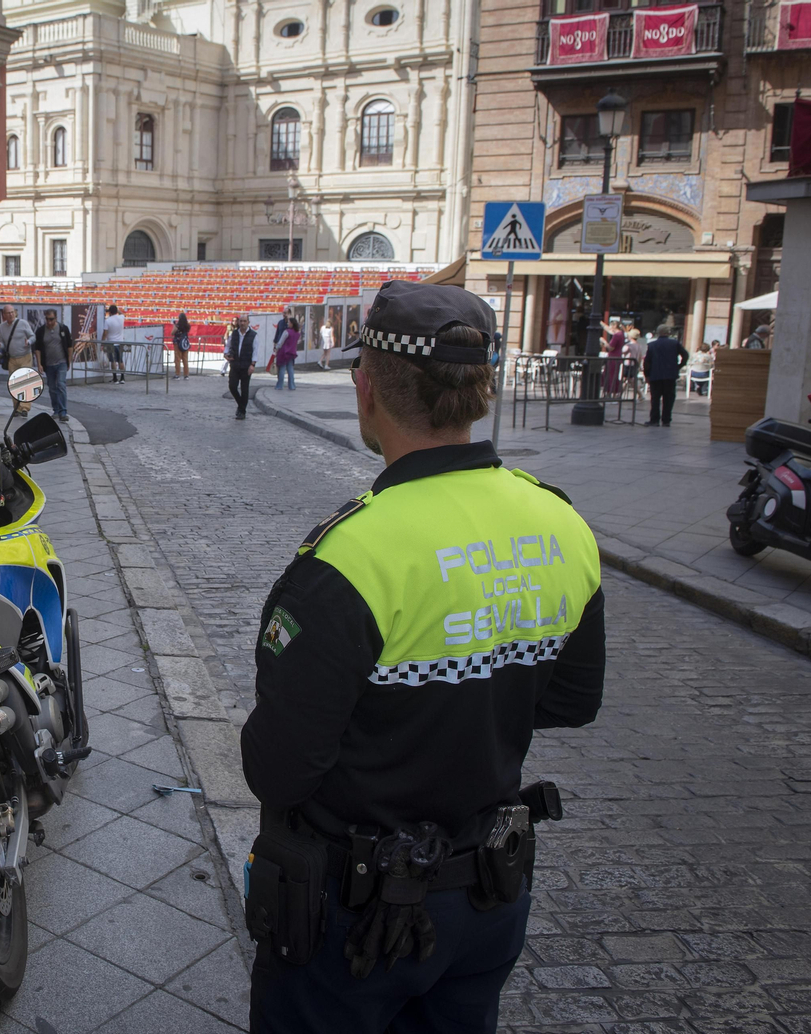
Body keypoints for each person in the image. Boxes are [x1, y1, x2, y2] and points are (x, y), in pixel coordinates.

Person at [241, 280, 606, 1034]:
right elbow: (572, 702)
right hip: (488, 898)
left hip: (354, 917)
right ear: (484, 389)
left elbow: (278, 768)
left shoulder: (351, 557)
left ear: (367, 389)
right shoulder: (561, 522)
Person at [642, 321, 690, 427]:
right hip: (670, 374)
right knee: (669, 398)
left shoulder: (652, 345)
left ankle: (654, 420)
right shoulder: (674, 343)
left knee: (655, 398)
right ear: (668, 332)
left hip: (655, 374)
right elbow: (685, 355)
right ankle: (666, 420)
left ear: (658, 333)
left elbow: (647, 362)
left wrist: (647, 375)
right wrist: (678, 366)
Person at [0, 305, 36, 415]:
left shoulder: (23, 323)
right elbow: (3, 343)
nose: (11, 314)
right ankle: (16, 408)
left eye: (12, 312)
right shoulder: (1, 327)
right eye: (8, 313)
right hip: (12, 358)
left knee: (25, 381)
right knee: (14, 383)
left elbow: (32, 336)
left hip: (25, 356)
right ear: (4, 315)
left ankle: (25, 408)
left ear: (15, 313)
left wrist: (29, 342)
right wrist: (0, 346)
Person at [35, 308, 75, 421]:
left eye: (51, 319)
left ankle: (63, 411)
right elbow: (37, 349)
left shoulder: (63, 329)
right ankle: (56, 410)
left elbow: (69, 346)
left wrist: (69, 360)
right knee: (52, 387)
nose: (49, 322)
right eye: (47, 319)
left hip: (61, 362)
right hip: (48, 364)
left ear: (56, 318)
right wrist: (39, 364)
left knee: (61, 385)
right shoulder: (41, 331)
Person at [225, 314, 257, 420]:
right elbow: (228, 345)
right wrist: (226, 354)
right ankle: (241, 406)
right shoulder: (234, 334)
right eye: (241, 321)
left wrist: (253, 365)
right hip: (235, 364)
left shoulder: (253, 335)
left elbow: (255, 351)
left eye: (244, 321)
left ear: (248, 322)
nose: (242, 323)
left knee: (244, 389)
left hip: (246, 365)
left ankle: (242, 411)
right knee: (232, 386)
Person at [101, 305, 128, 384]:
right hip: (120, 342)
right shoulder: (121, 318)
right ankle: (122, 378)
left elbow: (105, 333)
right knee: (120, 361)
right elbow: (122, 313)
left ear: (109, 312)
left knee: (113, 361)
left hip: (111, 343)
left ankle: (115, 378)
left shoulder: (108, 320)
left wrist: (102, 342)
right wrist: (118, 310)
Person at [274, 312, 300, 391]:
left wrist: (276, 349)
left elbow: (280, 342)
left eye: (289, 322)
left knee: (282, 369)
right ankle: (292, 385)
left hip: (284, 352)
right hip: (292, 352)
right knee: (290, 369)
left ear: (292, 324)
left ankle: (279, 385)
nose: (288, 324)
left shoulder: (287, 332)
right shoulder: (297, 333)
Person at [602, 319, 625, 397]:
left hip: (613, 357)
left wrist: (604, 342)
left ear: (614, 326)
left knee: (610, 375)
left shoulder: (616, 335)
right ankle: (614, 392)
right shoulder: (622, 334)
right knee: (614, 374)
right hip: (618, 356)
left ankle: (611, 392)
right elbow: (607, 329)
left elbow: (611, 348)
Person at [174, 311, 192, 379]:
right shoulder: (187, 326)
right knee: (185, 359)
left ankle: (177, 374)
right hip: (185, 343)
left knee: (177, 359)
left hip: (178, 343)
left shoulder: (177, 326)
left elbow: (172, 332)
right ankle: (186, 374)